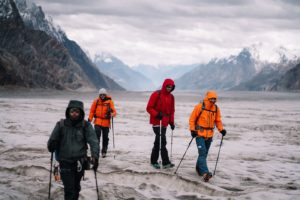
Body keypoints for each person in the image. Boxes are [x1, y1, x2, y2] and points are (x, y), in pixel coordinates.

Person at [47, 100, 99, 200]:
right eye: (72, 111)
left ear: (81, 113)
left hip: (80, 162)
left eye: (77, 111)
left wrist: (95, 156)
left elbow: (94, 141)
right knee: (69, 189)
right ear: (68, 112)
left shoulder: (86, 125)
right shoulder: (61, 124)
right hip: (64, 161)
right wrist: (52, 144)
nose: (74, 113)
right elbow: (51, 143)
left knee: (76, 187)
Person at [189, 90, 226, 182]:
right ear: (208, 98)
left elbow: (218, 121)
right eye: (212, 99)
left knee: (204, 153)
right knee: (202, 152)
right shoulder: (199, 107)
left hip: (209, 135)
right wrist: (192, 130)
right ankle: (205, 173)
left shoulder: (216, 108)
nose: (213, 100)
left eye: (215, 99)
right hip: (199, 133)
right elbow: (192, 119)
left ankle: (198, 169)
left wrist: (221, 129)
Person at [146, 78, 175, 169]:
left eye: (171, 87)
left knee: (159, 141)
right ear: (164, 85)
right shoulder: (156, 94)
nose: (169, 88)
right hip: (156, 122)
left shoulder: (171, 97)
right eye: (168, 86)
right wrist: (157, 114)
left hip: (165, 122)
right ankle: (162, 162)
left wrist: (171, 122)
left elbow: (171, 111)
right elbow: (149, 108)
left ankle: (157, 161)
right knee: (161, 141)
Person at [88, 88, 116, 158]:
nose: (102, 96)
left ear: (105, 95)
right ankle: (96, 151)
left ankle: (104, 151)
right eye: (101, 95)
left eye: (103, 95)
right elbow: (92, 111)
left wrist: (111, 113)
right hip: (97, 121)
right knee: (96, 137)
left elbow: (114, 112)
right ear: (99, 95)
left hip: (106, 122)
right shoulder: (96, 101)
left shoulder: (110, 102)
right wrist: (89, 120)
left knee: (105, 137)